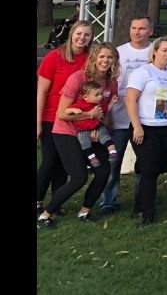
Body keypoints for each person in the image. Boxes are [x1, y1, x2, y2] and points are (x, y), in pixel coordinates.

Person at [37, 42, 118, 228]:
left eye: (109, 57)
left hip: (91, 132)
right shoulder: (78, 78)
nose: (105, 60)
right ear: (94, 58)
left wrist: (99, 129)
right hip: (67, 131)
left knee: (104, 170)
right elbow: (62, 113)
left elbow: (102, 114)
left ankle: (85, 211)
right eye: (101, 56)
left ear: (114, 60)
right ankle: (45, 215)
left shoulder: (112, 82)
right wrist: (90, 115)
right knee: (79, 177)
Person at [124, 36, 167, 225]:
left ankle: (139, 203)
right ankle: (147, 214)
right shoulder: (143, 72)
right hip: (146, 127)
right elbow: (130, 100)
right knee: (149, 171)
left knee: (159, 166)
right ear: (155, 51)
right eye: (164, 50)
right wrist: (137, 126)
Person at [37, 19, 91, 214]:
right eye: (78, 34)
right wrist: (38, 123)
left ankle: (56, 201)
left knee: (62, 162)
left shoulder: (89, 60)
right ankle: (38, 199)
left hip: (73, 119)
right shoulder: (54, 57)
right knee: (49, 161)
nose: (82, 38)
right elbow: (41, 91)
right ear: (71, 35)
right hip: (51, 117)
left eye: (86, 35)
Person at [104, 16, 152, 213]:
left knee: (143, 164)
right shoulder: (120, 52)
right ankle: (108, 200)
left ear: (150, 31)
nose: (137, 32)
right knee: (113, 161)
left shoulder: (155, 51)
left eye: (142, 28)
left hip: (146, 118)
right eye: (134, 28)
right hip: (120, 118)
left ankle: (140, 202)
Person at [69, 81, 118, 167]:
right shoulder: (81, 104)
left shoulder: (99, 105)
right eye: (97, 95)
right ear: (86, 97)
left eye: (101, 94)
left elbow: (106, 110)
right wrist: (73, 110)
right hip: (84, 130)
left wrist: (112, 102)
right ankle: (92, 158)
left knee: (105, 136)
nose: (100, 97)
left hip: (97, 126)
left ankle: (113, 152)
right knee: (84, 141)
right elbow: (66, 111)